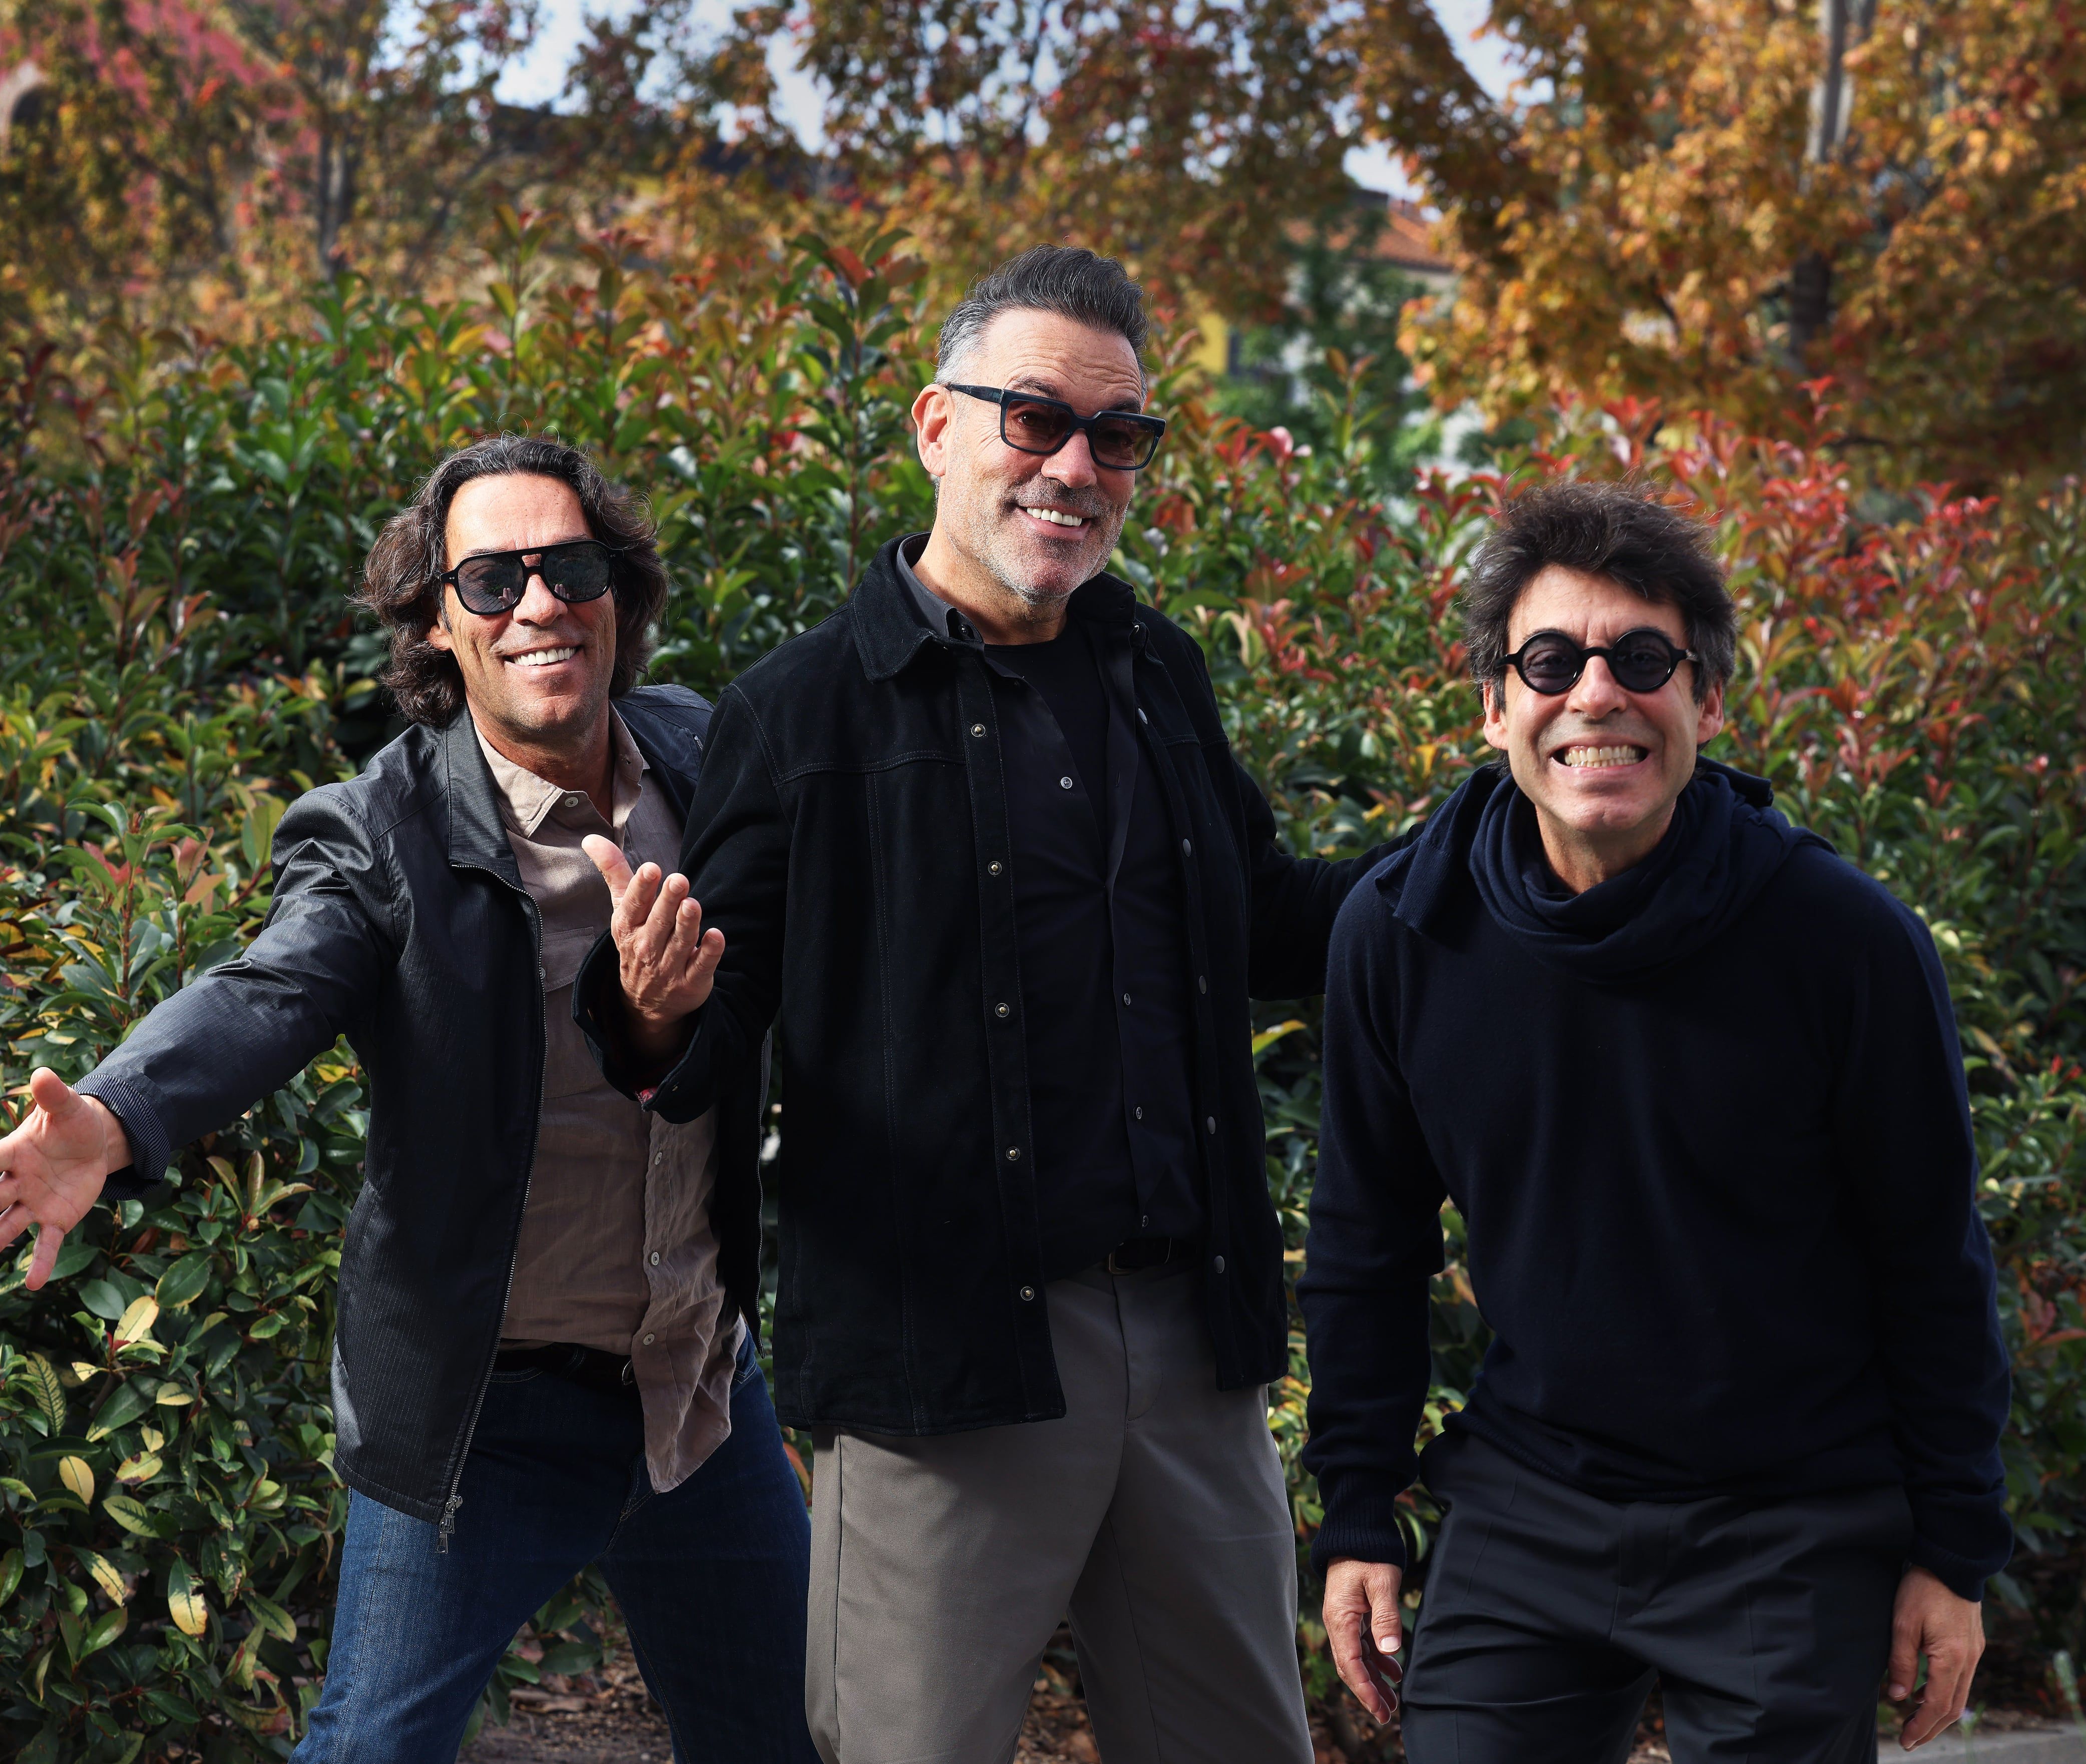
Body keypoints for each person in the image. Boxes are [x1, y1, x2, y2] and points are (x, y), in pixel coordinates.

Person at [590, 245, 1401, 1763]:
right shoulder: (805, 706)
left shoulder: (1157, 669)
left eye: (1120, 436)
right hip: (941, 1353)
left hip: (1190, 1338)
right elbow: (714, 1019)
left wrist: (1499, 850)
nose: (1078, 467)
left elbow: (1269, 918)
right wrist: (649, 1003)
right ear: (937, 427)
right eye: (1036, 419)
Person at [0, 436, 818, 1763]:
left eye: (568, 566)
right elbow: (268, 988)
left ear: (619, 593)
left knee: (794, 1743)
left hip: (693, 1383)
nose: (535, 604)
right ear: (435, 625)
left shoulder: (708, 755)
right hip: (484, 1415)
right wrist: (115, 1118)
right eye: (488, 579)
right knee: (368, 1751)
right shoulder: (382, 831)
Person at [1300, 478, 2011, 1761]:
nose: (1595, 695)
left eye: (1641, 659)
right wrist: (1357, 1510)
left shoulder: (1841, 942)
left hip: (1789, 1519)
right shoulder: (1403, 933)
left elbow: (1930, 1258)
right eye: (1550, 660)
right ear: (1494, 703)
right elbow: (1366, 1241)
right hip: (1529, 1506)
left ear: (1705, 699)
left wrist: (1953, 1550)